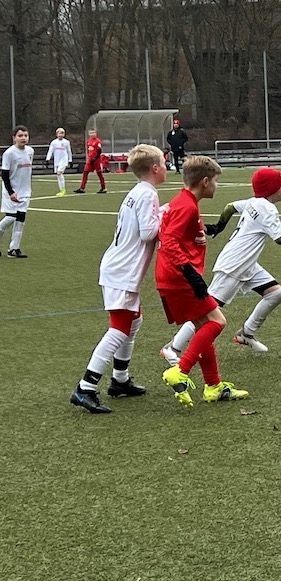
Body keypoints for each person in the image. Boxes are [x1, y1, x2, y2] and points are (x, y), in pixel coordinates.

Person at [162, 167, 281, 362]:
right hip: (234, 265)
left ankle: (246, 333)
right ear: (272, 189)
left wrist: (219, 226)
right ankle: (173, 347)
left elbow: (230, 207)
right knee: (207, 310)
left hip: (246, 264)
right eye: (280, 185)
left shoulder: (254, 202)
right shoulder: (267, 208)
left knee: (275, 293)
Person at [69, 144, 167, 414]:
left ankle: (120, 381)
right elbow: (148, 232)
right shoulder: (148, 194)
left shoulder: (138, 191)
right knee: (120, 328)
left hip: (119, 267)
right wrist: (168, 214)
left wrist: (162, 212)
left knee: (133, 322)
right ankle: (85, 388)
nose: (166, 167)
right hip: (122, 270)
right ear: (155, 168)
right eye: (163, 163)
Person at [157, 155, 247, 407]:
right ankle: (180, 370)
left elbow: (175, 232)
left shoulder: (184, 201)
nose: (216, 186)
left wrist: (202, 229)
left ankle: (213, 386)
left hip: (171, 277)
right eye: (215, 181)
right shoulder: (186, 206)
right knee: (218, 322)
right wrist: (190, 273)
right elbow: (170, 241)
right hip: (179, 278)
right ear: (205, 182)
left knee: (203, 326)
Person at [1, 125, 34, 257]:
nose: (23, 138)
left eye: (25, 135)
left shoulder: (30, 151)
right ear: (14, 138)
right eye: (20, 136)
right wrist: (10, 192)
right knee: (10, 217)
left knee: (20, 220)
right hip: (11, 192)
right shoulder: (9, 153)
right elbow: (4, 174)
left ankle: (14, 249)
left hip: (25, 192)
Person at [75, 127, 107, 194]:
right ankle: (82, 188)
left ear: (96, 133)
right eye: (91, 133)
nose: (92, 134)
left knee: (99, 173)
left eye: (93, 133)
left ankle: (103, 187)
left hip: (96, 160)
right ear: (89, 134)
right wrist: (90, 158)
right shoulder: (89, 141)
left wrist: (94, 159)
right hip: (90, 160)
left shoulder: (97, 141)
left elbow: (99, 151)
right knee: (85, 172)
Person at [46, 127, 73, 196]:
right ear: (57, 134)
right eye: (60, 133)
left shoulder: (66, 142)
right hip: (57, 161)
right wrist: (47, 159)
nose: (61, 135)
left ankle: (63, 190)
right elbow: (50, 151)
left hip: (64, 160)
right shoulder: (54, 142)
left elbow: (69, 151)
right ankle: (61, 190)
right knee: (58, 175)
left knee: (59, 173)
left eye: (62, 133)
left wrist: (70, 160)